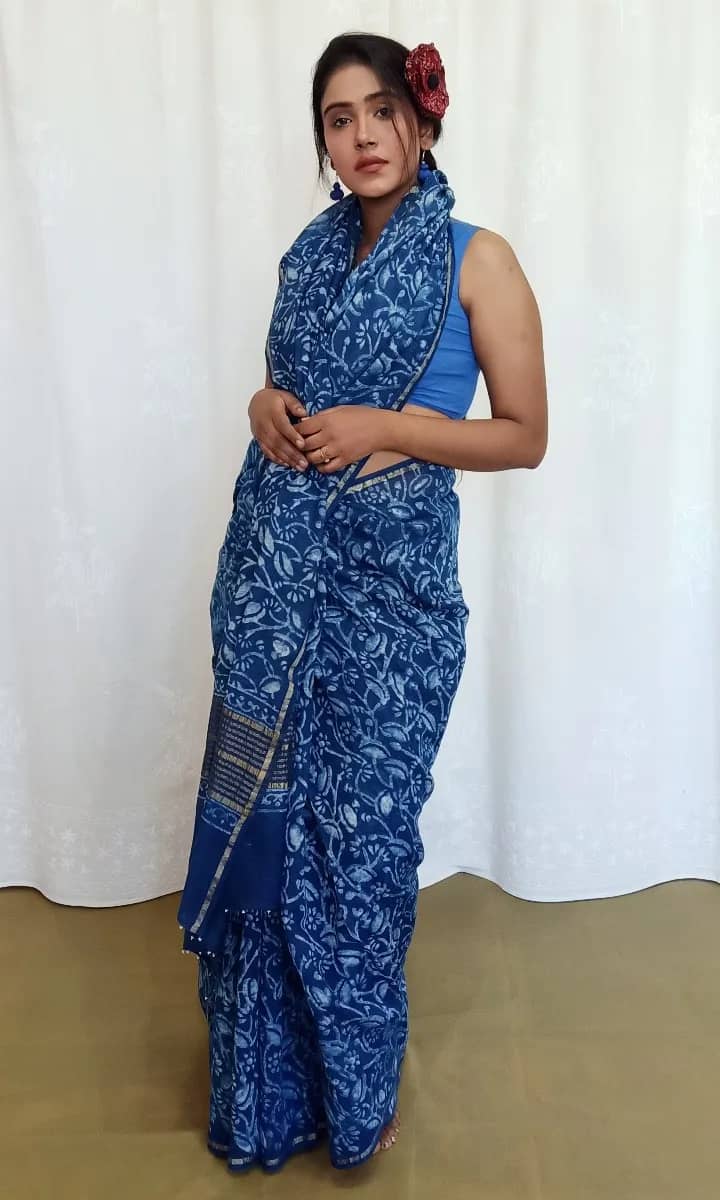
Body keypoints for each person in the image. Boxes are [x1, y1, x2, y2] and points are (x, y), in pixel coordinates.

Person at [176, 31, 547, 1174]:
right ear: (324, 142)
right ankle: (265, 1098)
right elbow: (288, 391)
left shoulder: (478, 259)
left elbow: (524, 435)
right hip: (277, 584)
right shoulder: (309, 255)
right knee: (274, 834)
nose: (363, 135)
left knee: (361, 842)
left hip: (392, 599)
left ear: (423, 120)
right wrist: (261, 405)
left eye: (383, 109)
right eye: (339, 119)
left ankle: (356, 1095)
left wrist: (388, 427)